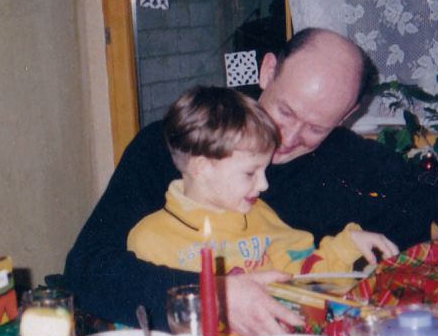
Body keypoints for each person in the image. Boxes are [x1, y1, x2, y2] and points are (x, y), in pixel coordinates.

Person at [65, 27, 438, 336]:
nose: (288, 139)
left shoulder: (352, 163)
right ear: (267, 71)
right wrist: (212, 297)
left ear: (347, 116)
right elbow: (88, 269)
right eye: (286, 111)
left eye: (316, 128)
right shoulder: (182, 147)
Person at [127, 86, 399, 278]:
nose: (264, 185)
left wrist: (347, 245)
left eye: (264, 170)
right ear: (201, 167)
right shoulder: (151, 239)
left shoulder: (260, 215)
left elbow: (304, 276)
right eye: (250, 173)